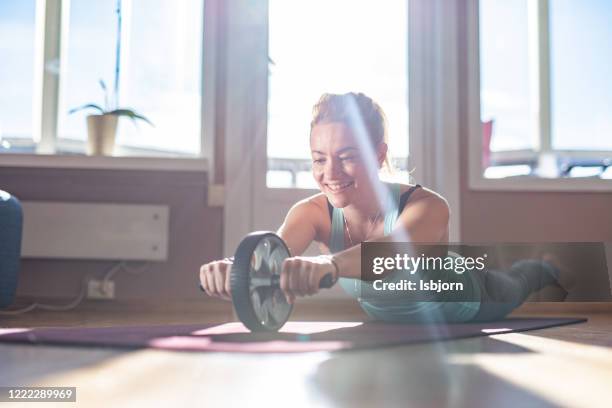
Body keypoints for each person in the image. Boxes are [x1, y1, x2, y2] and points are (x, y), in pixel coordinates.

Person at [199, 92, 565, 323]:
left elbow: (390, 253)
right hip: (401, 323)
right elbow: (271, 256)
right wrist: (234, 270)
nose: (331, 174)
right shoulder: (310, 213)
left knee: (518, 283)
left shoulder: (427, 206)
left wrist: (327, 263)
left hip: (473, 300)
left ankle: (544, 267)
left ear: (379, 155)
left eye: (347, 157)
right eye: (319, 159)